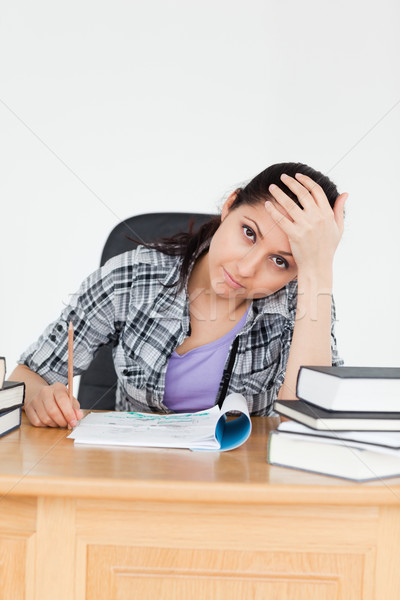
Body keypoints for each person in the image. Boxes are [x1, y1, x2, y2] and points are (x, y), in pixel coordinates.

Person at [10, 162, 348, 428]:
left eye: (279, 261)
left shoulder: (303, 301)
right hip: (132, 482)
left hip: (242, 492)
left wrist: (318, 271)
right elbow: (26, 378)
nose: (246, 269)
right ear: (230, 206)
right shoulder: (130, 278)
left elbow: (306, 425)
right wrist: (39, 398)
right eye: (248, 233)